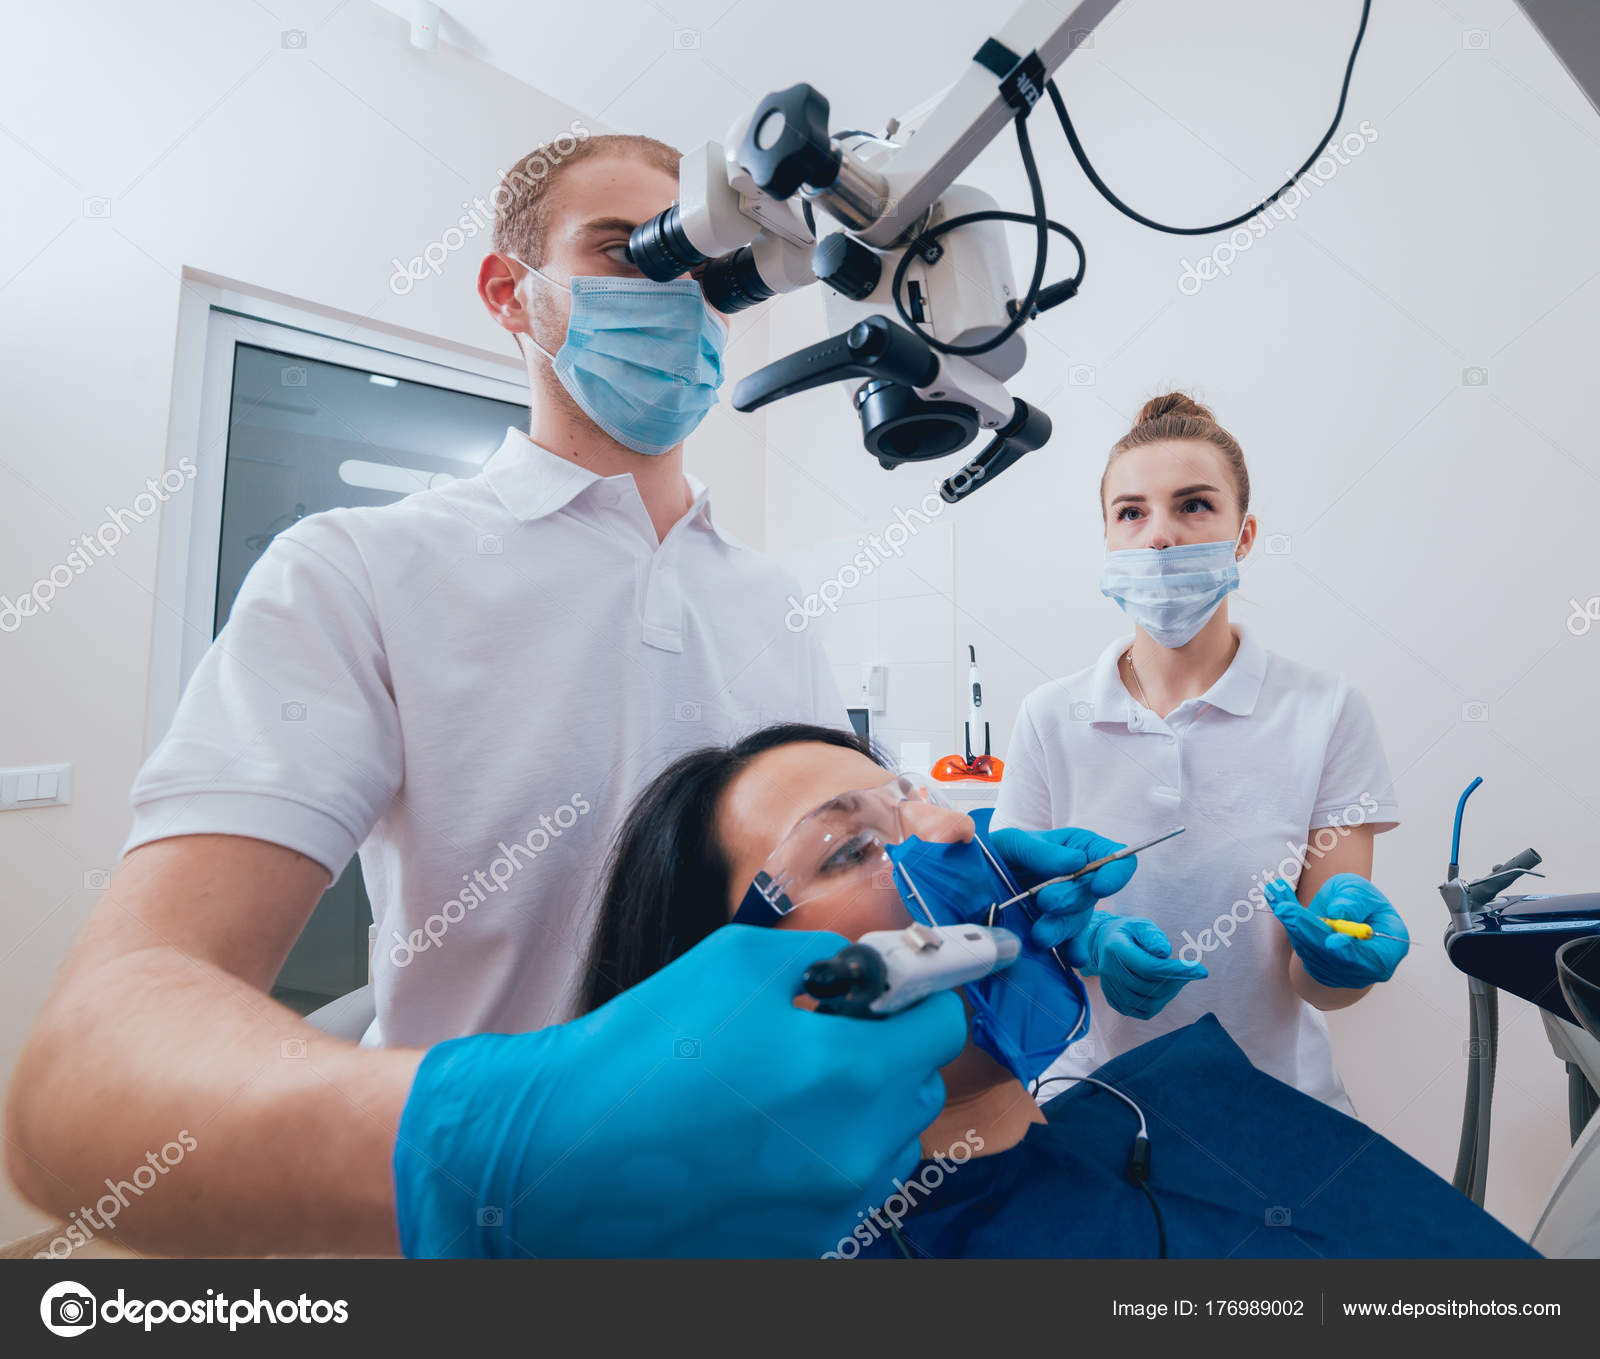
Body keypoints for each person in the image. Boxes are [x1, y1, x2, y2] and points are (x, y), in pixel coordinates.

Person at [3, 133, 935, 1257]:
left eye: (704, 268)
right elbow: (84, 1077)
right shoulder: (357, 570)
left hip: (788, 1205)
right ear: (511, 292)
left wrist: (973, 896)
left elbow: (844, 876)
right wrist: (493, 1138)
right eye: (629, 251)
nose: (677, 294)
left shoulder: (770, 594)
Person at [580, 721, 1533, 1259]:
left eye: (910, 795)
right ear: (722, 994)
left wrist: (1328, 961)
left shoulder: (1174, 1107)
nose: (953, 831)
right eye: (854, 844)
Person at [992, 392, 1408, 1113]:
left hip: (1279, 1104)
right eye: (1132, 512)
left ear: (1243, 535)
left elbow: (1325, 985)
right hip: (1094, 1101)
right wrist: (1086, 941)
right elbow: (1008, 933)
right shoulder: (1049, 717)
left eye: (1193, 506)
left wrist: (1341, 962)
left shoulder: (1326, 710)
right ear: (1109, 539)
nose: (1160, 536)